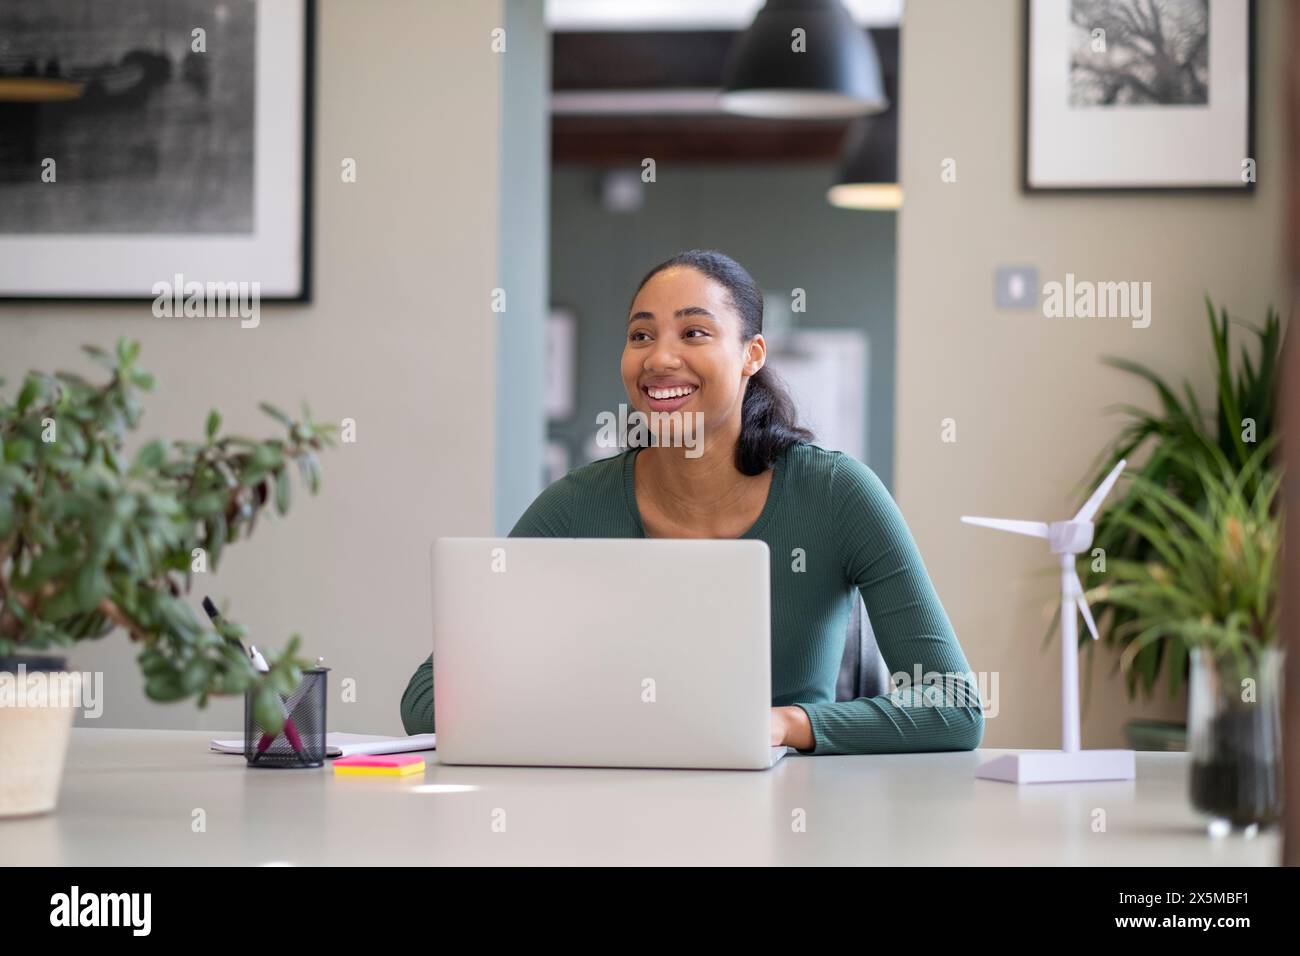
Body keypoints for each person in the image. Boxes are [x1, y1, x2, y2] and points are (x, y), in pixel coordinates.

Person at [401, 249, 983, 755]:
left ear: (752, 354)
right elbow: (427, 697)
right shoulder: (576, 507)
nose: (659, 358)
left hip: (789, 820)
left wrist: (786, 724)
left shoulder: (838, 494)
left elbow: (954, 705)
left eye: (694, 333)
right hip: (611, 819)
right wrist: (582, 718)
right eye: (641, 335)